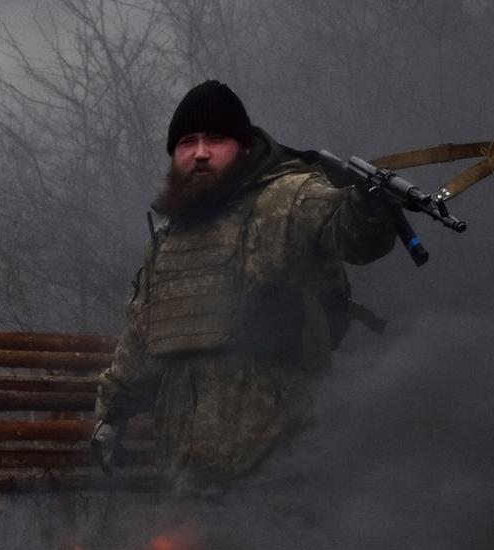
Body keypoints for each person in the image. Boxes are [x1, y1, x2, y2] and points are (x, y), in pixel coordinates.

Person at [91, 80, 400, 491]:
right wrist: (110, 418)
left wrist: (368, 204)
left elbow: (355, 235)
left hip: (282, 469)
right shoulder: (169, 237)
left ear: (243, 147)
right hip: (184, 473)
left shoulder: (289, 198)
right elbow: (139, 333)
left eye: (216, 139)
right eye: (188, 141)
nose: (200, 152)